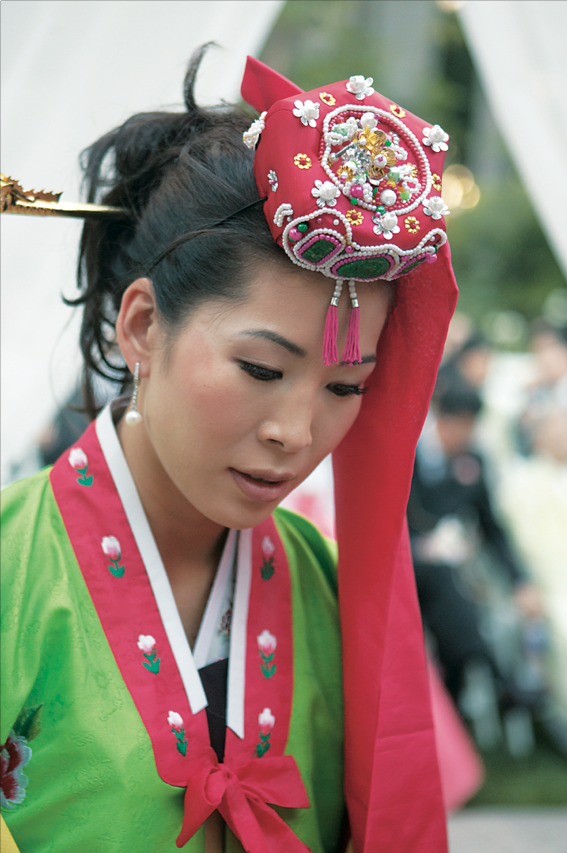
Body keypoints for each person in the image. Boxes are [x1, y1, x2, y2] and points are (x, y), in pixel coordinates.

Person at [1, 49, 457, 852]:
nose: (296, 430)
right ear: (143, 326)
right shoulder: (12, 564)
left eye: (345, 388)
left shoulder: (325, 576)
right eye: (260, 368)